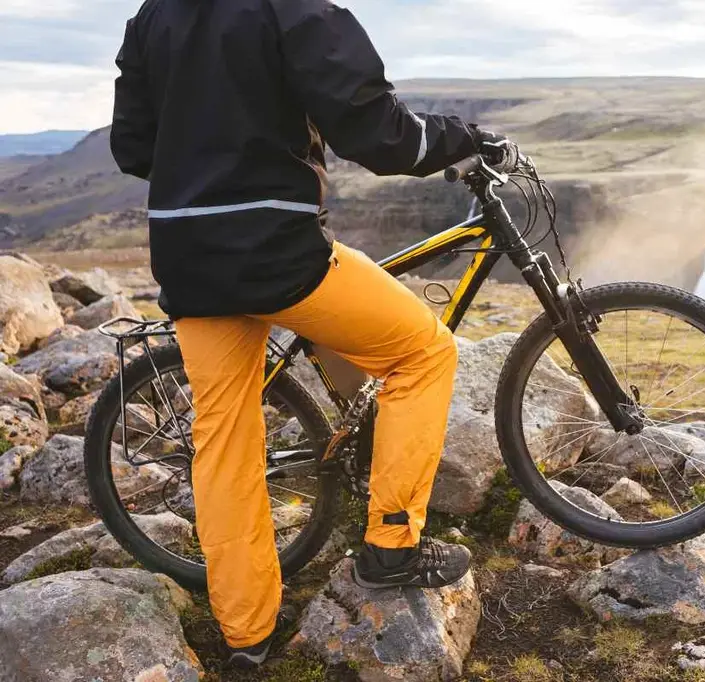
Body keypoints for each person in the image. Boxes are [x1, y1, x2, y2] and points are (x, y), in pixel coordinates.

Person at [110, 0, 517, 668]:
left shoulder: (155, 14)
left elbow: (132, 148)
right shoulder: (293, 7)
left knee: (222, 435)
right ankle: (393, 544)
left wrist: (208, 161)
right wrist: (465, 137)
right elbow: (378, 134)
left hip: (189, 255)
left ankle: (246, 636)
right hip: (275, 252)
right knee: (424, 350)